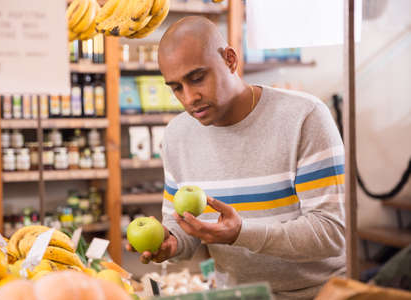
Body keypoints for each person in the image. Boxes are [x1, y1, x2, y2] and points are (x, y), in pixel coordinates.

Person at [126, 16, 346, 300]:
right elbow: (181, 224)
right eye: (176, 87)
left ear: (230, 59)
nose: (189, 97)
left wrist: (241, 233)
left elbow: (330, 233)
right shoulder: (177, 135)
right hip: (237, 295)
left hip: (318, 295)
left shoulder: (304, 117)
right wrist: (171, 244)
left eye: (196, 78)